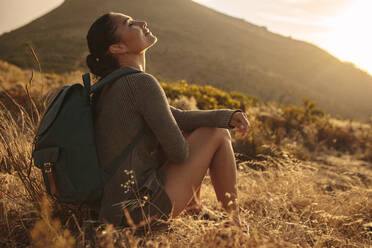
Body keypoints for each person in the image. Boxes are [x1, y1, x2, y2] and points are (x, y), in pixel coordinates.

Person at [86, 12, 250, 231]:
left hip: (114, 210)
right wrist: (176, 138)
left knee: (202, 130)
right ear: (117, 48)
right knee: (216, 134)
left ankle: (194, 207)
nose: (142, 22)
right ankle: (236, 224)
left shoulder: (111, 85)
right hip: (139, 212)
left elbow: (177, 117)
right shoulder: (140, 83)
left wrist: (227, 116)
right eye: (129, 24)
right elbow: (179, 153)